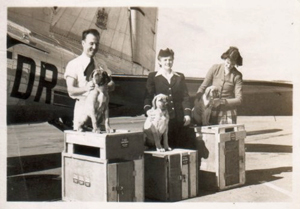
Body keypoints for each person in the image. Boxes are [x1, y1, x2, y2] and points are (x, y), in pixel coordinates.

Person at [64, 29, 114, 130]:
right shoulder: (74, 64)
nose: (94, 47)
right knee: (82, 144)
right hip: (83, 111)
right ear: (83, 43)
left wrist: (105, 86)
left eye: (97, 44)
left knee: (102, 144)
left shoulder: (101, 64)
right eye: (91, 44)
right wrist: (86, 88)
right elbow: (70, 90)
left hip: (100, 112)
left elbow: (112, 84)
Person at [144, 48, 194, 149]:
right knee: (163, 150)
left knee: (180, 149)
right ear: (159, 61)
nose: (168, 62)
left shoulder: (180, 76)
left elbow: (185, 97)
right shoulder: (153, 76)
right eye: (165, 60)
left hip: (179, 120)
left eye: (170, 59)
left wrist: (187, 114)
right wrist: (148, 110)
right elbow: (148, 96)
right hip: (161, 120)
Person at [195, 46, 243, 125]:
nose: (229, 66)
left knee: (229, 135)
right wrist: (196, 102)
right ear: (225, 58)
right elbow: (202, 87)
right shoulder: (215, 68)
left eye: (232, 64)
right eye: (227, 62)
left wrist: (222, 102)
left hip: (229, 112)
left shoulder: (237, 76)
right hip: (212, 110)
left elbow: (239, 99)